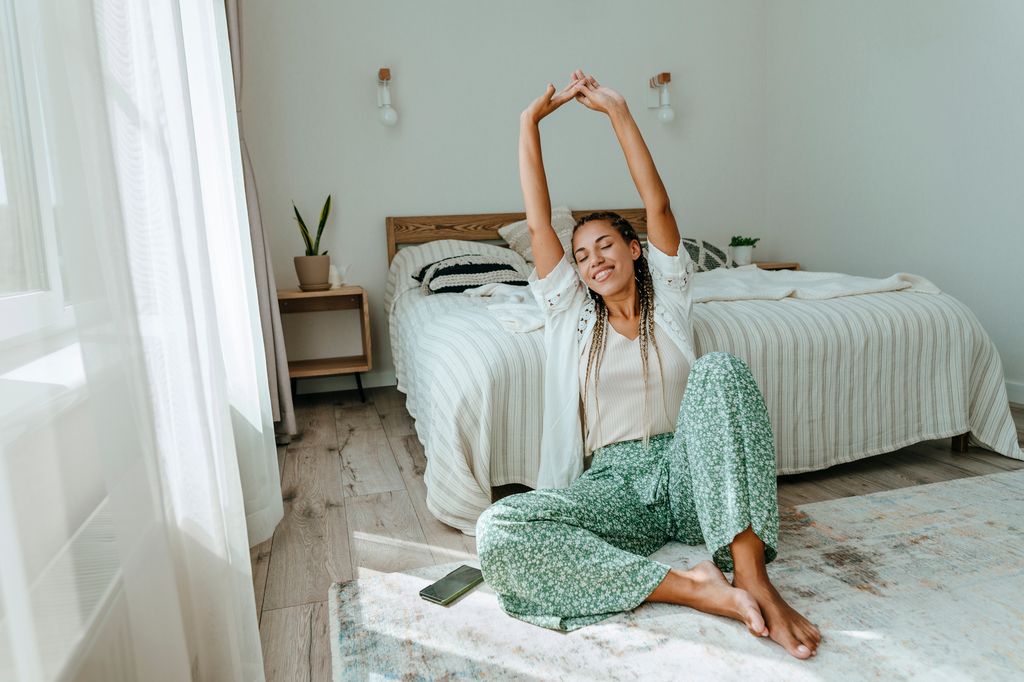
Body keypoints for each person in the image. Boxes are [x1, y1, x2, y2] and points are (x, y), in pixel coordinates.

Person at [475, 70, 822, 660]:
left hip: (692, 475)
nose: (592, 259)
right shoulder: (571, 318)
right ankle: (692, 588)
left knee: (720, 370)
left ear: (635, 250)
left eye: (605, 244)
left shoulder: (671, 299)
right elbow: (538, 224)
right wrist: (528, 124)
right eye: (581, 255)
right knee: (500, 529)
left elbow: (657, 202)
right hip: (615, 487)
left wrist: (619, 113)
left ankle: (752, 576)